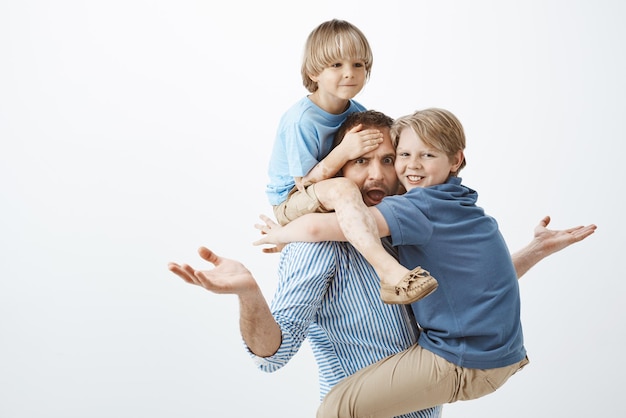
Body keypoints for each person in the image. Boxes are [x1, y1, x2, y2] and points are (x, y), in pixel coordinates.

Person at [169, 110, 596, 418]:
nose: (380, 174)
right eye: (360, 160)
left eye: (388, 159)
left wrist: (533, 252)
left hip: (442, 386)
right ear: (338, 172)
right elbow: (271, 357)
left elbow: (471, 286)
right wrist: (250, 290)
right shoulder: (322, 247)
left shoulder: (407, 220)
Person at [266, 19, 436, 305]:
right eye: (336, 65)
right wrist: (344, 152)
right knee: (345, 187)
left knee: (400, 184)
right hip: (293, 198)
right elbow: (306, 183)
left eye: (358, 65)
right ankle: (388, 271)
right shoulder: (301, 121)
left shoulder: (356, 111)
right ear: (313, 72)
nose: (350, 74)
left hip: (329, 192)